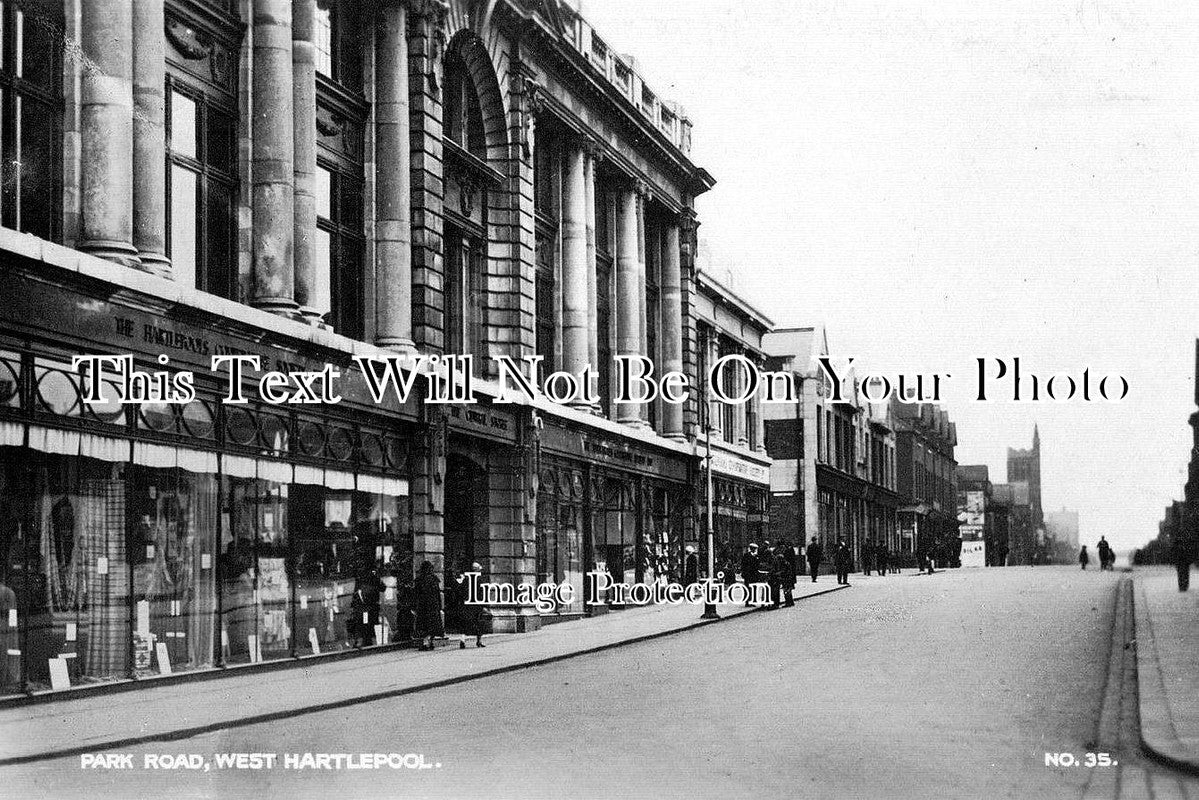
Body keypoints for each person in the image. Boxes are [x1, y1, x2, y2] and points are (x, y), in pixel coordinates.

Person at [453, 561, 487, 648]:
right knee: (478, 623)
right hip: (476, 604)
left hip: (467, 604)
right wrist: (484, 604)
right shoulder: (479, 579)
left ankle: (462, 640)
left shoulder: (467, 579)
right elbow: (482, 593)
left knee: (467, 623)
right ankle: (478, 641)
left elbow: (460, 590)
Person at [414, 561, 443, 651]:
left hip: (423, 605)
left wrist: (415, 605)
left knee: (423, 624)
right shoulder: (434, 579)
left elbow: (416, 594)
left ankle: (425, 643)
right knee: (433, 624)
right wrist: (440, 605)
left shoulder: (419, 579)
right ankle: (431, 642)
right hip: (433, 605)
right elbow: (438, 594)